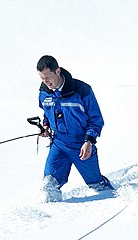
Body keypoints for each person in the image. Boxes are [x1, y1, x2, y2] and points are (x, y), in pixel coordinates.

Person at [37, 55, 114, 202]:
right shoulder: (44, 92)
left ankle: (114, 201)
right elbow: (46, 112)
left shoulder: (82, 90)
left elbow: (96, 119)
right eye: (42, 79)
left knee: (96, 185)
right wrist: (45, 125)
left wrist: (89, 141)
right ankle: (54, 219)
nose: (46, 82)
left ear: (58, 71)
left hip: (82, 146)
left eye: (48, 77)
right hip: (59, 144)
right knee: (49, 185)